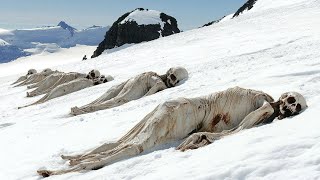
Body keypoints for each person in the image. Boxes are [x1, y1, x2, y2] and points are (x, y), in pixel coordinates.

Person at [37, 87, 307, 177]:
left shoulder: (259, 100)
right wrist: (207, 137)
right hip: (186, 113)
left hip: (183, 107)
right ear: (283, 96)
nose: (289, 107)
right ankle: (71, 170)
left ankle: (75, 163)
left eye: (294, 108)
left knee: (127, 140)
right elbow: (237, 129)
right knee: (136, 145)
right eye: (291, 101)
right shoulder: (265, 107)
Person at [70, 67, 189, 115]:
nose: (169, 79)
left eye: (173, 79)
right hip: (137, 83)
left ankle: (83, 109)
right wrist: (144, 98)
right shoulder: (159, 81)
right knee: (115, 100)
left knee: (112, 96)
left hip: (135, 81)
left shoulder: (157, 78)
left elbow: (157, 84)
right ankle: (83, 109)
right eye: (170, 75)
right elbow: (157, 85)